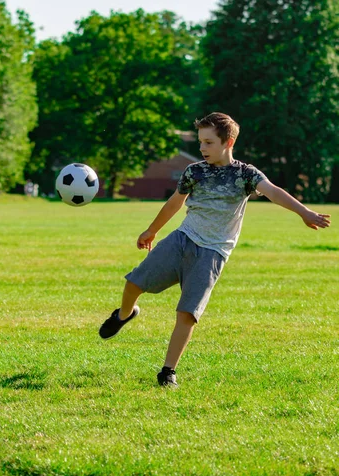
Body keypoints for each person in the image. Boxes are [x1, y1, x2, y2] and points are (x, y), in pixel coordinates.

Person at [99, 112, 331, 387]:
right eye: (200, 142)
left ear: (228, 142)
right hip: (182, 239)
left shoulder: (246, 174)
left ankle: (167, 371)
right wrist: (152, 230)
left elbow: (272, 190)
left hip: (212, 253)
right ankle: (125, 314)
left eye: (208, 142)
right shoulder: (194, 171)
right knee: (133, 283)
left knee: (187, 313)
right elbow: (176, 201)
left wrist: (304, 212)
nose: (202, 148)